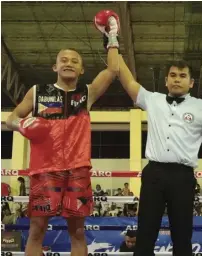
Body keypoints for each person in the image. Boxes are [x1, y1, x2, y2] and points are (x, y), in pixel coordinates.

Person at [94, 21, 202, 255]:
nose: (177, 79)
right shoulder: (153, 99)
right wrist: (113, 40)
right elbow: (124, 77)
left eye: (182, 76)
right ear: (166, 80)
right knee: (145, 234)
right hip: (154, 173)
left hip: (182, 176)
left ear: (191, 82)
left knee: (182, 237)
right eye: (172, 75)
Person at [6, 10, 120, 256]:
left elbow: (112, 71)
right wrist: (21, 125)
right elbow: (11, 118)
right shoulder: (37, 92)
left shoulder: (86, 94)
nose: (69, 63)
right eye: (64, 60)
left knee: (77, 232)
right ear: (55, 66)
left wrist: (111, 37)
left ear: (81, 70)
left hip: (77, 170)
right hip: (45, 170)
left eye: (75, 61)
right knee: (37, 229)